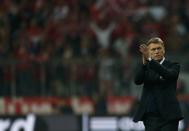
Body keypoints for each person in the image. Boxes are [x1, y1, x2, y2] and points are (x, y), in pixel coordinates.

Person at [133, 37, 183, 131]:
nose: (156, 51)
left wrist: (149, 60)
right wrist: (144, 64)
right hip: (150, 118)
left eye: (159, 48)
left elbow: (167, 75)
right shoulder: (146, 67)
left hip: (169, 117)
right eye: (153, 49)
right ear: (149, 52)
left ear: (163, 50)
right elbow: (137, 81)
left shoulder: (174, 65)